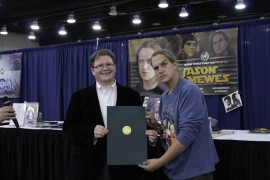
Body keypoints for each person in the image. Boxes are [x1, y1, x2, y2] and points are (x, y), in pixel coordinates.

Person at [63, 49, 158, 180]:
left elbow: (137, 127)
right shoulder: (79, 97)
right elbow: (68, 128)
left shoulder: (132, 95)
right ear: (92, 70)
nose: (105, 68)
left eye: (109, 64)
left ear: (115, 67)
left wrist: (150, 137)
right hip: (88, 163)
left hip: (124, 165)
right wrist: (91, 132)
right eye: (100, 65)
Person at [139, 49, 219, 180]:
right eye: (156, 68)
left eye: (164, 64)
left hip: (194, 170)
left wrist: (159, 162)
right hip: (175, 169)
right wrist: (156, 126)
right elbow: (171, 132)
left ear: (175, 64)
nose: (160, 70)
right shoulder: (165, 96)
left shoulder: (189, 91)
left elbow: (188, 133)